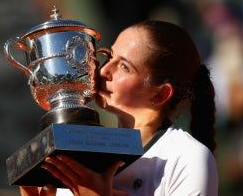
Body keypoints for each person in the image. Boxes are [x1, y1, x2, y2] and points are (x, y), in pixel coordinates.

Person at [20, 20, 218, 196]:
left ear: (160, 94)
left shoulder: (186, 157)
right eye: (110, 56)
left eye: (124, 67)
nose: (104, 70)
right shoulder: (79, 155)